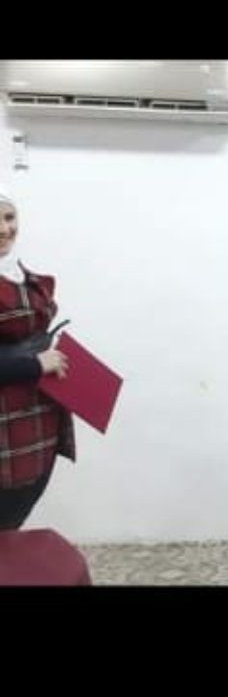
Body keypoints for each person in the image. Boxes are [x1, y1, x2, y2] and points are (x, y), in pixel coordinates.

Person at [0, 185, 75, 531]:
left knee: (13, 522)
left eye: (9, 217)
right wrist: (33, 364)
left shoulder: (23, 275)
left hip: (39, 416)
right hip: (5, 423)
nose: (4, 229)